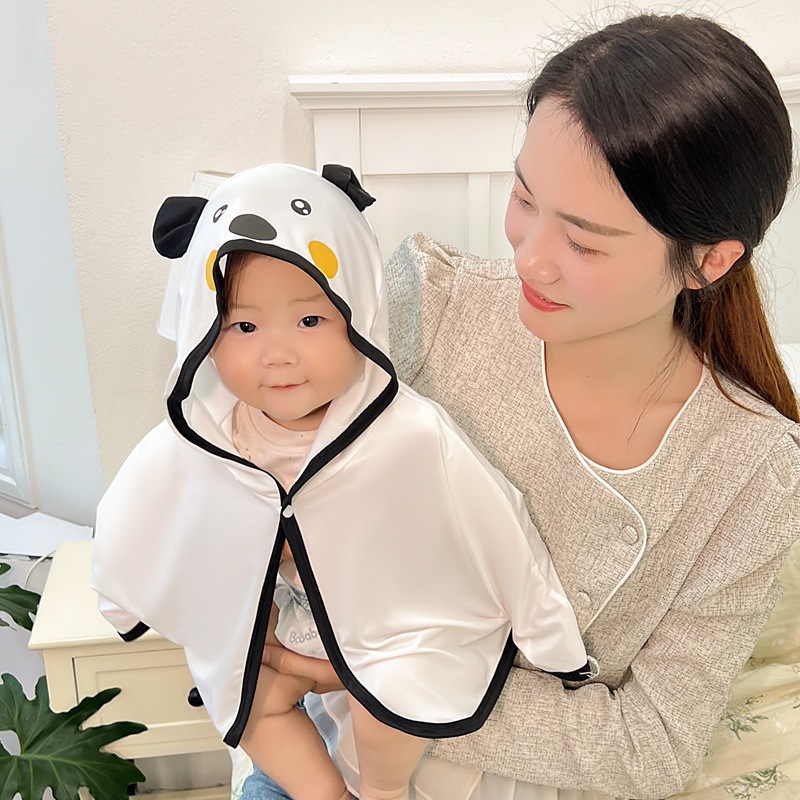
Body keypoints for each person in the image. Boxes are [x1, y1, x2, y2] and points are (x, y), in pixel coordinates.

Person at [239, 13, 800, 800]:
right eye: (524, 198)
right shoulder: (429, 305)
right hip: (323, 765)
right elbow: (250, 483)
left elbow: (652, 749)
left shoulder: (751, 472)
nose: (531, 257)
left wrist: (385, 676)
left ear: (708, 261)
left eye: (586, 242)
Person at [91, 163, 596, 800]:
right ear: (207, 337)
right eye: (244, 326)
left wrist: (552, 642)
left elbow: (499, 523)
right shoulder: (204, 437)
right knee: (245, 701)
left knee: (392, 701)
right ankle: (322, 793)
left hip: (388, 623)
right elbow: (132, 516)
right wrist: (123, 600)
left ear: (358, 314)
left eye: (309, 322)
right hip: (280, 623)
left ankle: (381, 790)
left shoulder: (407, 431)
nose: (278, 354)